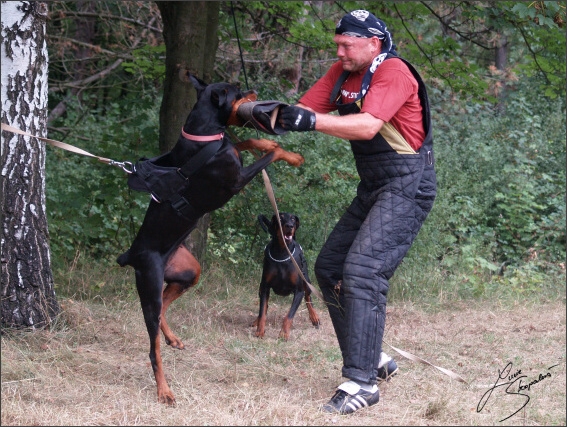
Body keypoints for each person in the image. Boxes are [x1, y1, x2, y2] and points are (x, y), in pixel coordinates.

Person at [279, 10, 437, 414]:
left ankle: (362, 383)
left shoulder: (395, 71)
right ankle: (374, 360)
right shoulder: (342, 72)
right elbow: (298, 111)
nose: (339, 50)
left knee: (363, 270)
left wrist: (311, 122)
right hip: (374, 186)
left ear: (374, 44)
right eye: (338, 43)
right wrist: (246, 112)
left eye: (347, 44)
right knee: (331, 267)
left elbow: (367, 126)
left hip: (408, 185)